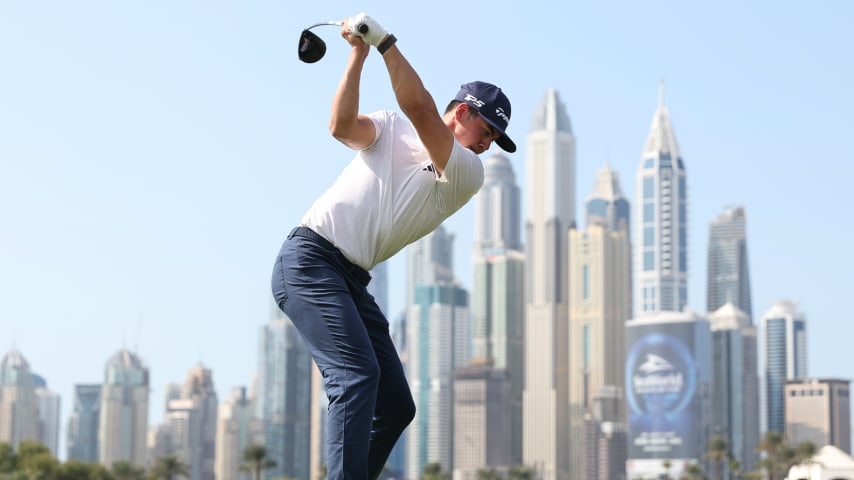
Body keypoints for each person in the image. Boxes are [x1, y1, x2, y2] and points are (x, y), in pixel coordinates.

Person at [271, 12, 516, 480]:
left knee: (396, 406)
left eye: (494, 140)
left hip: (350, 280)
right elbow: (341, 127)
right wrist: (359, 54)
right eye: (487, 132)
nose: (488, 146)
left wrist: (383, 41)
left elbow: (423, 112)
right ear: (463, 112)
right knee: (356, 377)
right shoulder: (389, 126)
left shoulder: (467, 170)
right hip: (309, 261)